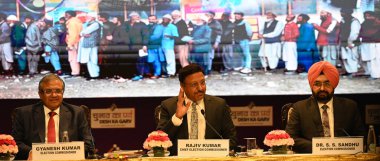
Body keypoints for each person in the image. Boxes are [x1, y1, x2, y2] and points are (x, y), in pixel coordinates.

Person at [285, 61, 366, 153]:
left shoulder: (350, 107)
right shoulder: (299, 108)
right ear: (311, 85)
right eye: (317, 84)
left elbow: (361, 137)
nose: (322, 88)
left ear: (334, 85)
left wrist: (339, 148)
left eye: (327, 84)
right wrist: (321, 147)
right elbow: (291, 138)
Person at [157, 63, 237, 155]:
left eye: (203, 83)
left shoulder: (218, 105)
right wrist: (177, 117)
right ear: (182, 86)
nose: (200, 88)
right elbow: (159, 142)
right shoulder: (169, 106)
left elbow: (232, 139)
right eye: (194, 84)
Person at [11, 74, 95, 160]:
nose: (54, 95)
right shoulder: (24, 114)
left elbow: (88, 142)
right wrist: (31, 152)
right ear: (40, 94)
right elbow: (16, 142)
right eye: (48, 91)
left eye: (58, 91)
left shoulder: (77, 113)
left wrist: (70, 153)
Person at [77, 12, 101, 81]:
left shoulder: (95, 24)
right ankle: (92, 74)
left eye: (88, 16)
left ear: (93, 17)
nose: (87, 17)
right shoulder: (88, 24)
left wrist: (82, 33)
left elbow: (84, 32)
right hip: (88, 43)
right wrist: (82, 33)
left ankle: (95, 74)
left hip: (92, 44)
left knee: (92, 59)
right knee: (89, 59)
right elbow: (83, 32)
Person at [339, 8, 360, 77]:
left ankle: (353, 72)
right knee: (345, 57)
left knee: (352, 57)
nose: (341, 13)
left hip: (352, 42)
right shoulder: (342, 20)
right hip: (343, 42)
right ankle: (348, 71)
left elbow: (355, 33)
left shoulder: (354, 21)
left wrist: (350, 42)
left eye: (342, 12)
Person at [359, 11, 380, 80]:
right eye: (365, 16)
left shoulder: (377, 23)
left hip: (375, 43)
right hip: (366, 43)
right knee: (367, 59)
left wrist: (364, 35)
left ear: (374, 16)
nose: (367, 17)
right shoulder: (364, 23)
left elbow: (370, 33)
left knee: (374, 60)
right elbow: (360, 32)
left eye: (369, 16)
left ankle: (375, 75)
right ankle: (369, 72)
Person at [65, 10, 83, 77]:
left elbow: (73, 34)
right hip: (77, 41)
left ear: (70, 15)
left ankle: (75, 72)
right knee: (75, 58)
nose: (65, 16)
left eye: (66, 14)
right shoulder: (77, 21)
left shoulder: (72, 23)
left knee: (72, 58)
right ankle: (76, 71)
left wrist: (70, 44)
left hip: (73, 42)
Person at [0, 12, 14, 78]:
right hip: (3, 43)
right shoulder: (2, 24)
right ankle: (7, 71)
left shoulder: (4, 25)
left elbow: (4, 35)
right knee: (4, 57)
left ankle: (8, 72)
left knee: (6, 58)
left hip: (5, 43)